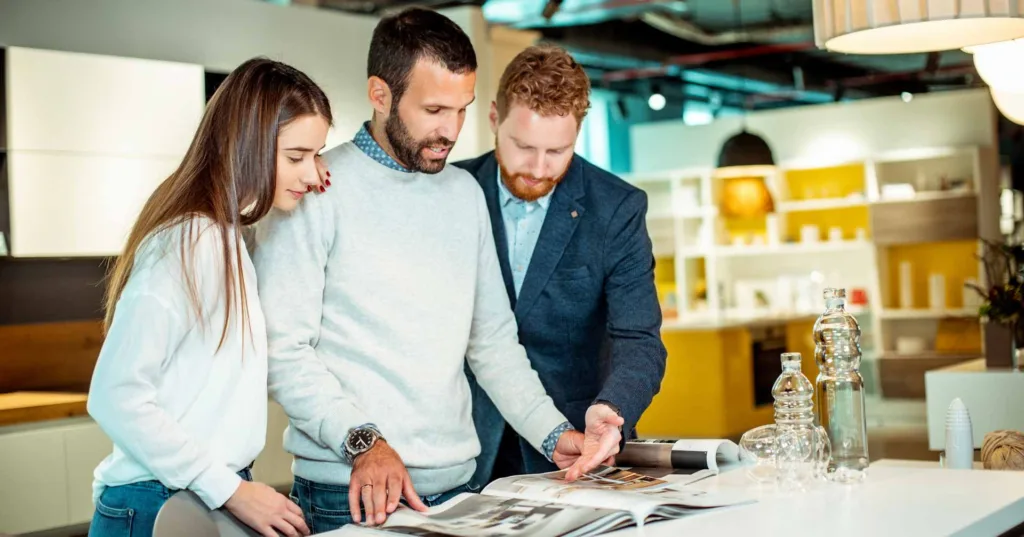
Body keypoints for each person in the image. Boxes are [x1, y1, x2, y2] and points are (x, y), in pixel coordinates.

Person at [251, 8, 623, 534]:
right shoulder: (316, 189)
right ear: (380, 95)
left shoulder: (464, 194)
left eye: (461, 109)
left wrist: (552, 434)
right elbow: (281, 349)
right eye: (433, 109)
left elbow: (492, 343)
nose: (449, 131)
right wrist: (365, 442)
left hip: (460, 491)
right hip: (352, 492)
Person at [87, 57, 333, 537]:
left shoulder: (225, 238)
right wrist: (231, 489)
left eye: (318, 155)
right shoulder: (192, 242)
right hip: (164, 501)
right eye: (297, 156)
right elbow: (115, 395)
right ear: (247, 146)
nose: (311, 173)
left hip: (193, 495)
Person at [453, 45, 668, 488]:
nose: (537, 168)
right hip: (461, 446)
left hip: (573, 449)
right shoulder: (451, 192)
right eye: (523, 146)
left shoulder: (617, 209)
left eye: (557, 151)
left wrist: (613, 410)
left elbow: (640, 340)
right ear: (494, 118)